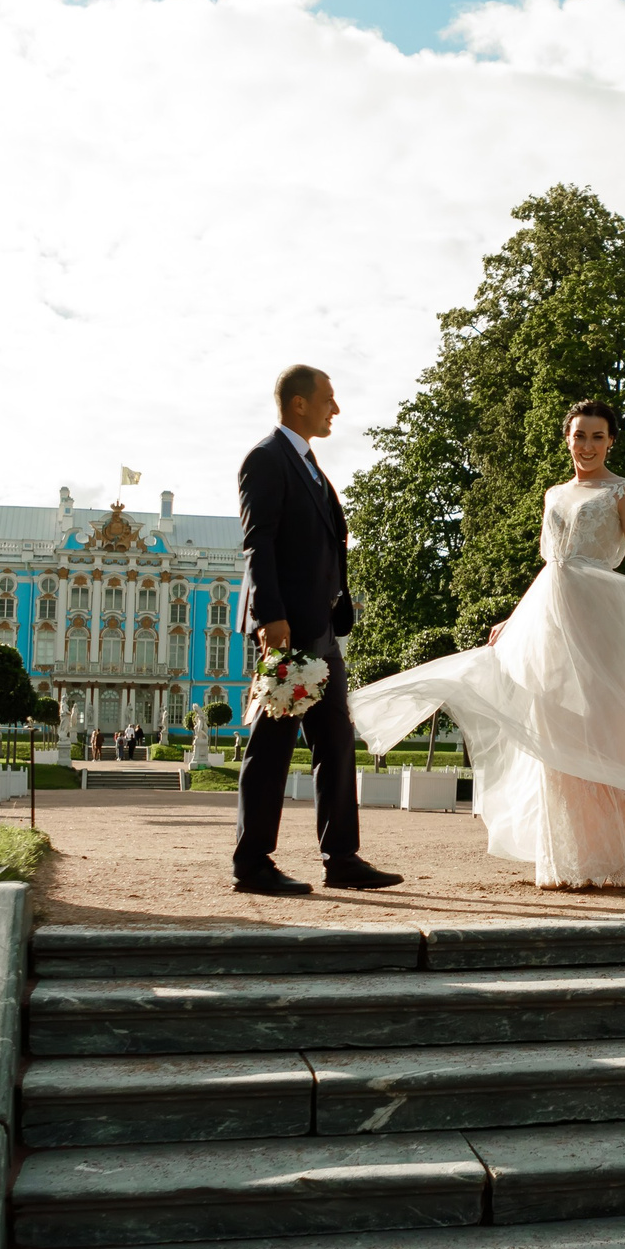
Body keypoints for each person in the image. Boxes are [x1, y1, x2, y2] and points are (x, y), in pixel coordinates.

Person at [350, 400, 625, 890]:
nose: (588, 446)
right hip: (550, 625)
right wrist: (514, 619)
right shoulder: (553, 494)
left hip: (604, 626)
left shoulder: (624, 490)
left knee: (615, 739)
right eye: (580, 436)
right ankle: (564, 861)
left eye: (597, 436)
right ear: (567, 439)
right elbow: (551, 566)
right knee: (560, 739)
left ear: (611, 440)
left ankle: (612, 860)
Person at [231, 365, 401, 894]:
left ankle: (342, 858)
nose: (337, 408)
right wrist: (270, 619)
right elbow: (258, 543)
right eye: (329, 398)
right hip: (287, 629)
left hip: (319, 630)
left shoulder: (306, 463)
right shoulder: (266, 459)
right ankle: (253, 863)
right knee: (273, 743)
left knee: (336, 740)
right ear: (299, 403)